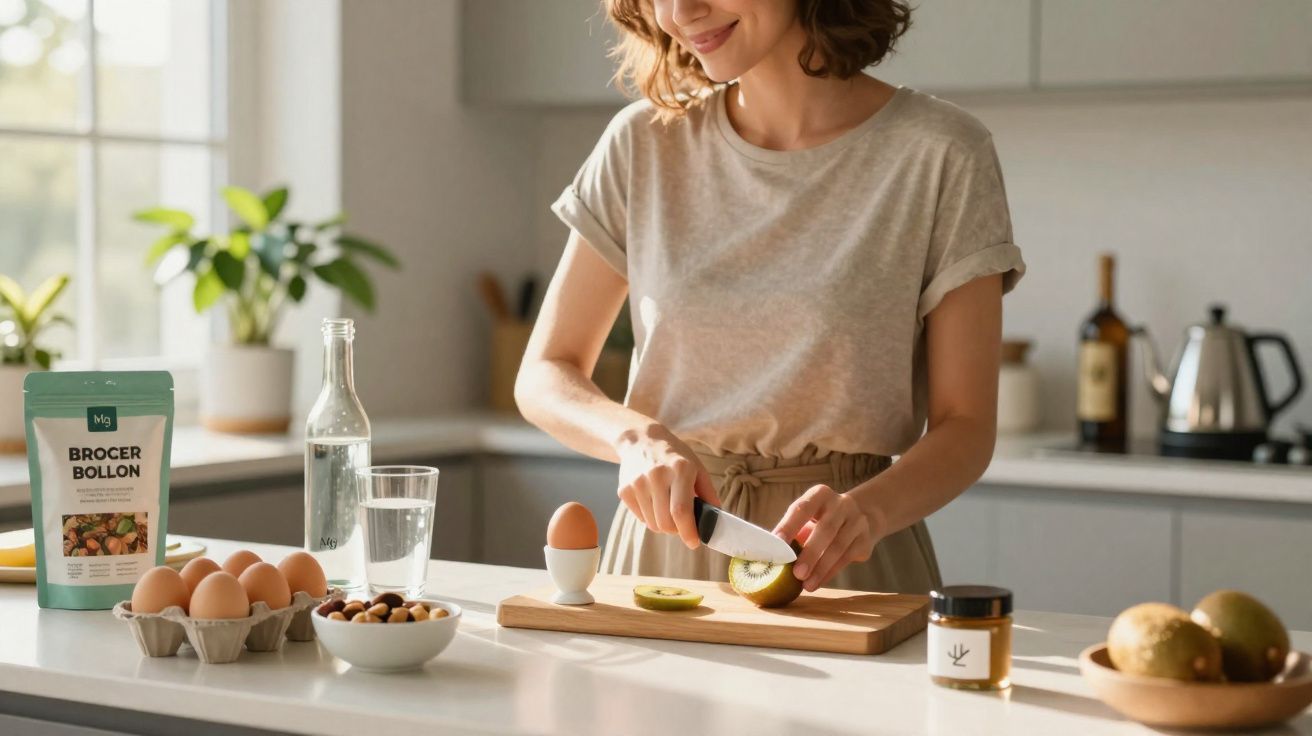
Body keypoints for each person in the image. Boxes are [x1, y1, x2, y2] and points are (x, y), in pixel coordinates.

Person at [515, 0, 1025, 594]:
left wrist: (871, 512)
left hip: (841, 561)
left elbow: (966, 428)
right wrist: (635, 439)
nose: (681, 12)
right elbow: (545, 372)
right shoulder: (642, 143)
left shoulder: (942, 153)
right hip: (664, 554)